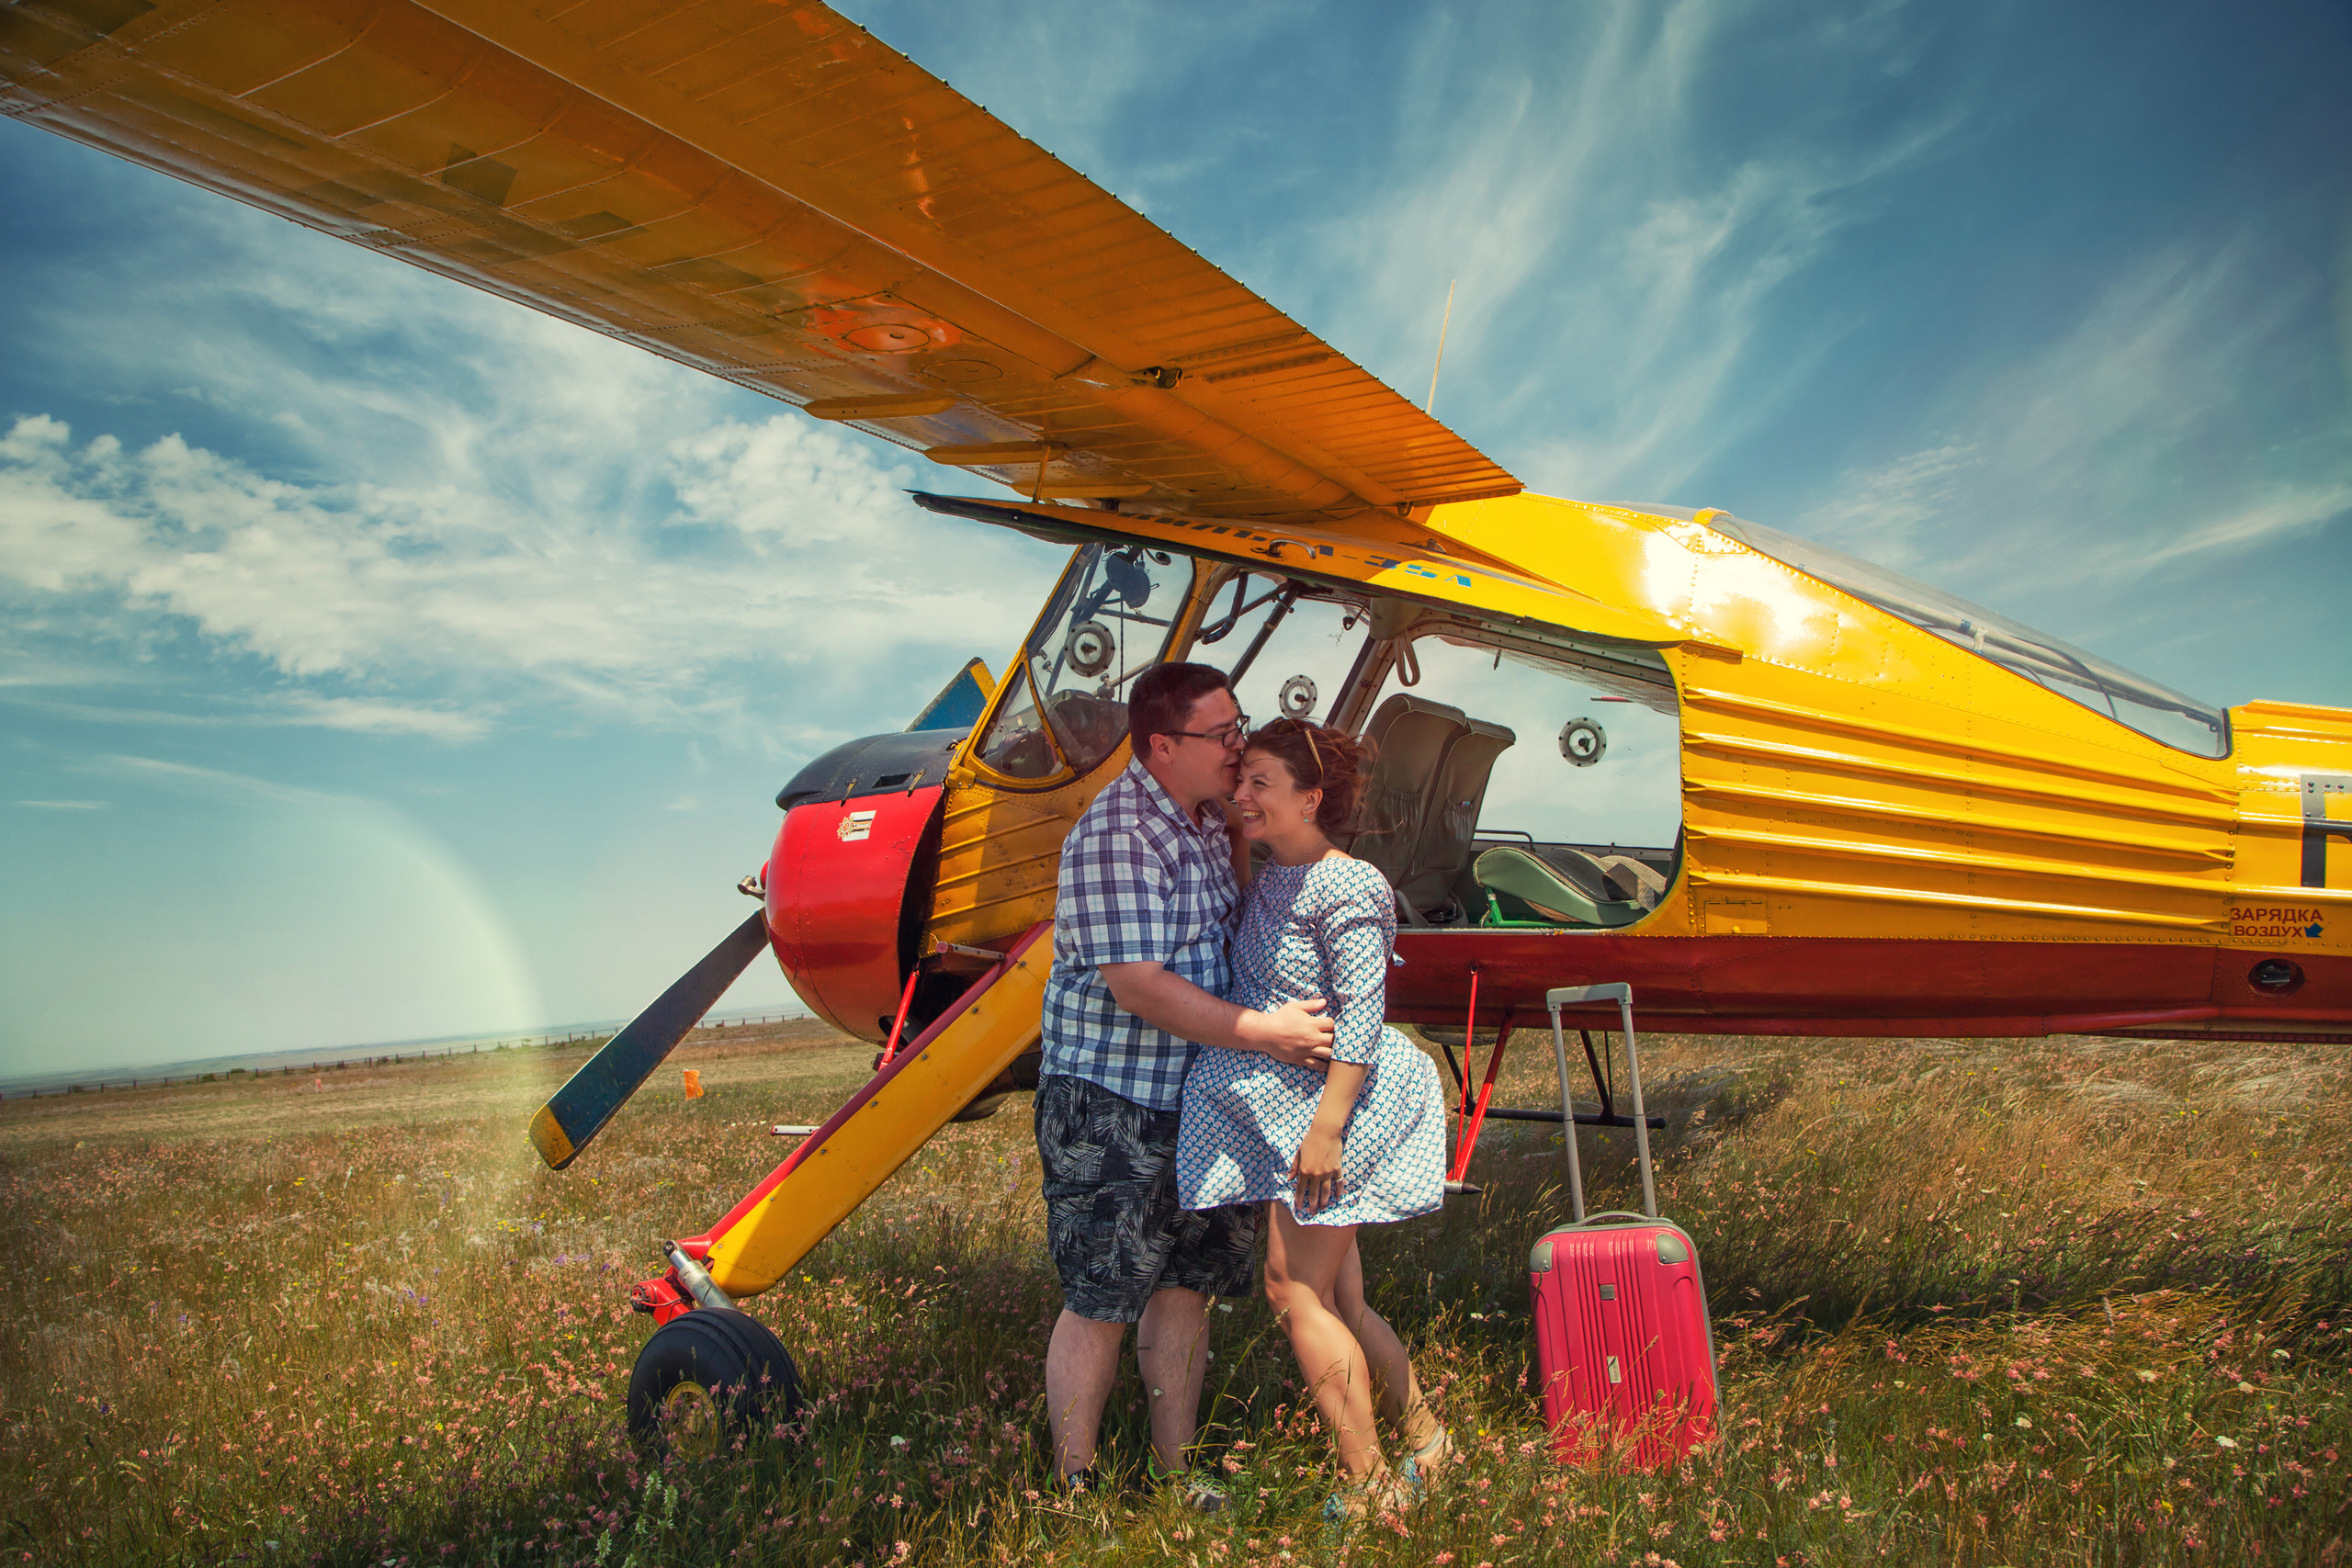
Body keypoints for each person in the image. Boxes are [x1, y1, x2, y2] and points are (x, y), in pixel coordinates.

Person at [1036, 662, 1339, 1507]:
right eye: (1224, 734)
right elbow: (1137, 984)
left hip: (1203, 1096)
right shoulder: (1117, 834)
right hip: (1112, 1098)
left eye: (1241, 727)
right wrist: (1264, 1032)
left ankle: (1175, 1475)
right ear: (1162, 745)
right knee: (1102, 1292)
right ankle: (1076, 1488)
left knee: (1185, 1286)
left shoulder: (1209, 819)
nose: (1239, 747)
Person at [1174, 717, 1453, 1517]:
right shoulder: (1271, 879)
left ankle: (1370, 1488)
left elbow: (1363, 1014)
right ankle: (1429, 1442)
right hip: (1300, 1111)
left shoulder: (1348, 883)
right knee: (1340, 1302)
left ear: (1311, 798)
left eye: (1261, 781)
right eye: (1242, 779)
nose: (1244, 794)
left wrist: (1325, 1128)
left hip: (1340, 1111)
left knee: (1291, 1288)